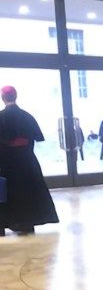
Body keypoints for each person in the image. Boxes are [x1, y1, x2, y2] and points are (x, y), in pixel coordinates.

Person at [0, 86, 59, 236]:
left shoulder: (1, 117)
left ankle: (5, 223)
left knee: (6, 192)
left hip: (6, 163)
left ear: (3, 98)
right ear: (16, 96)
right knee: (29, 190)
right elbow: (35, 138)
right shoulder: (26, 116)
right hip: (26, 161)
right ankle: (28, 223)